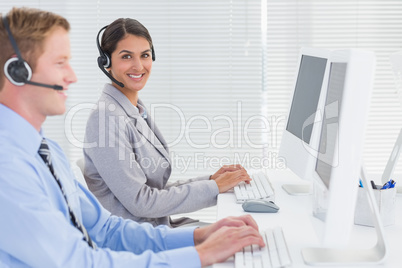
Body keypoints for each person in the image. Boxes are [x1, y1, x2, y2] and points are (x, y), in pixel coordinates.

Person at [0, 7, 265, 267]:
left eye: (145, 55)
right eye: (60, 63)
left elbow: (106, 229)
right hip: (117, 254)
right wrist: (200, 253)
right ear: (17, 72)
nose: (72, 76)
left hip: (136, 241)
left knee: (249, 248)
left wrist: (200, 235)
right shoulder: (8, 166)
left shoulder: (47, 150)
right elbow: (79, 260)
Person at [83, 18, 251, 227]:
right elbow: (141, 202)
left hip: (156, 226)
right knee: (241, 236)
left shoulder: (133, 110)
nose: (138, 66)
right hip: (138, 239)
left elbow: (155, 190)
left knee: (242, 229)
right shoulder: (105, 119)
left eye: (145, 55)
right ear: (106, 63)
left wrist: (211, 180)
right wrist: (214, 187)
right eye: (126, 56)